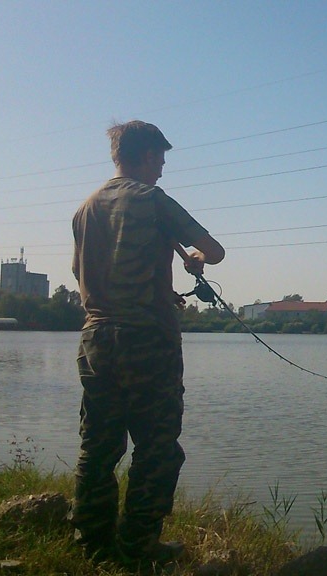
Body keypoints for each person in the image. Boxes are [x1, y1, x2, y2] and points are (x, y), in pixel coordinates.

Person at [70, 120, 225, 566]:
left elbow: (78, 271)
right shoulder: (153, 200)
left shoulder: (84, 209)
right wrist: (195, 257)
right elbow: (212, 249)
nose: (161, 169)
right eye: (160, 158)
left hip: (95, 340)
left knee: (98, 445)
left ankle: (93, 544)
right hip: (148, 339)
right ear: (142, 154)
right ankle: (138, 547)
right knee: (157, 448)